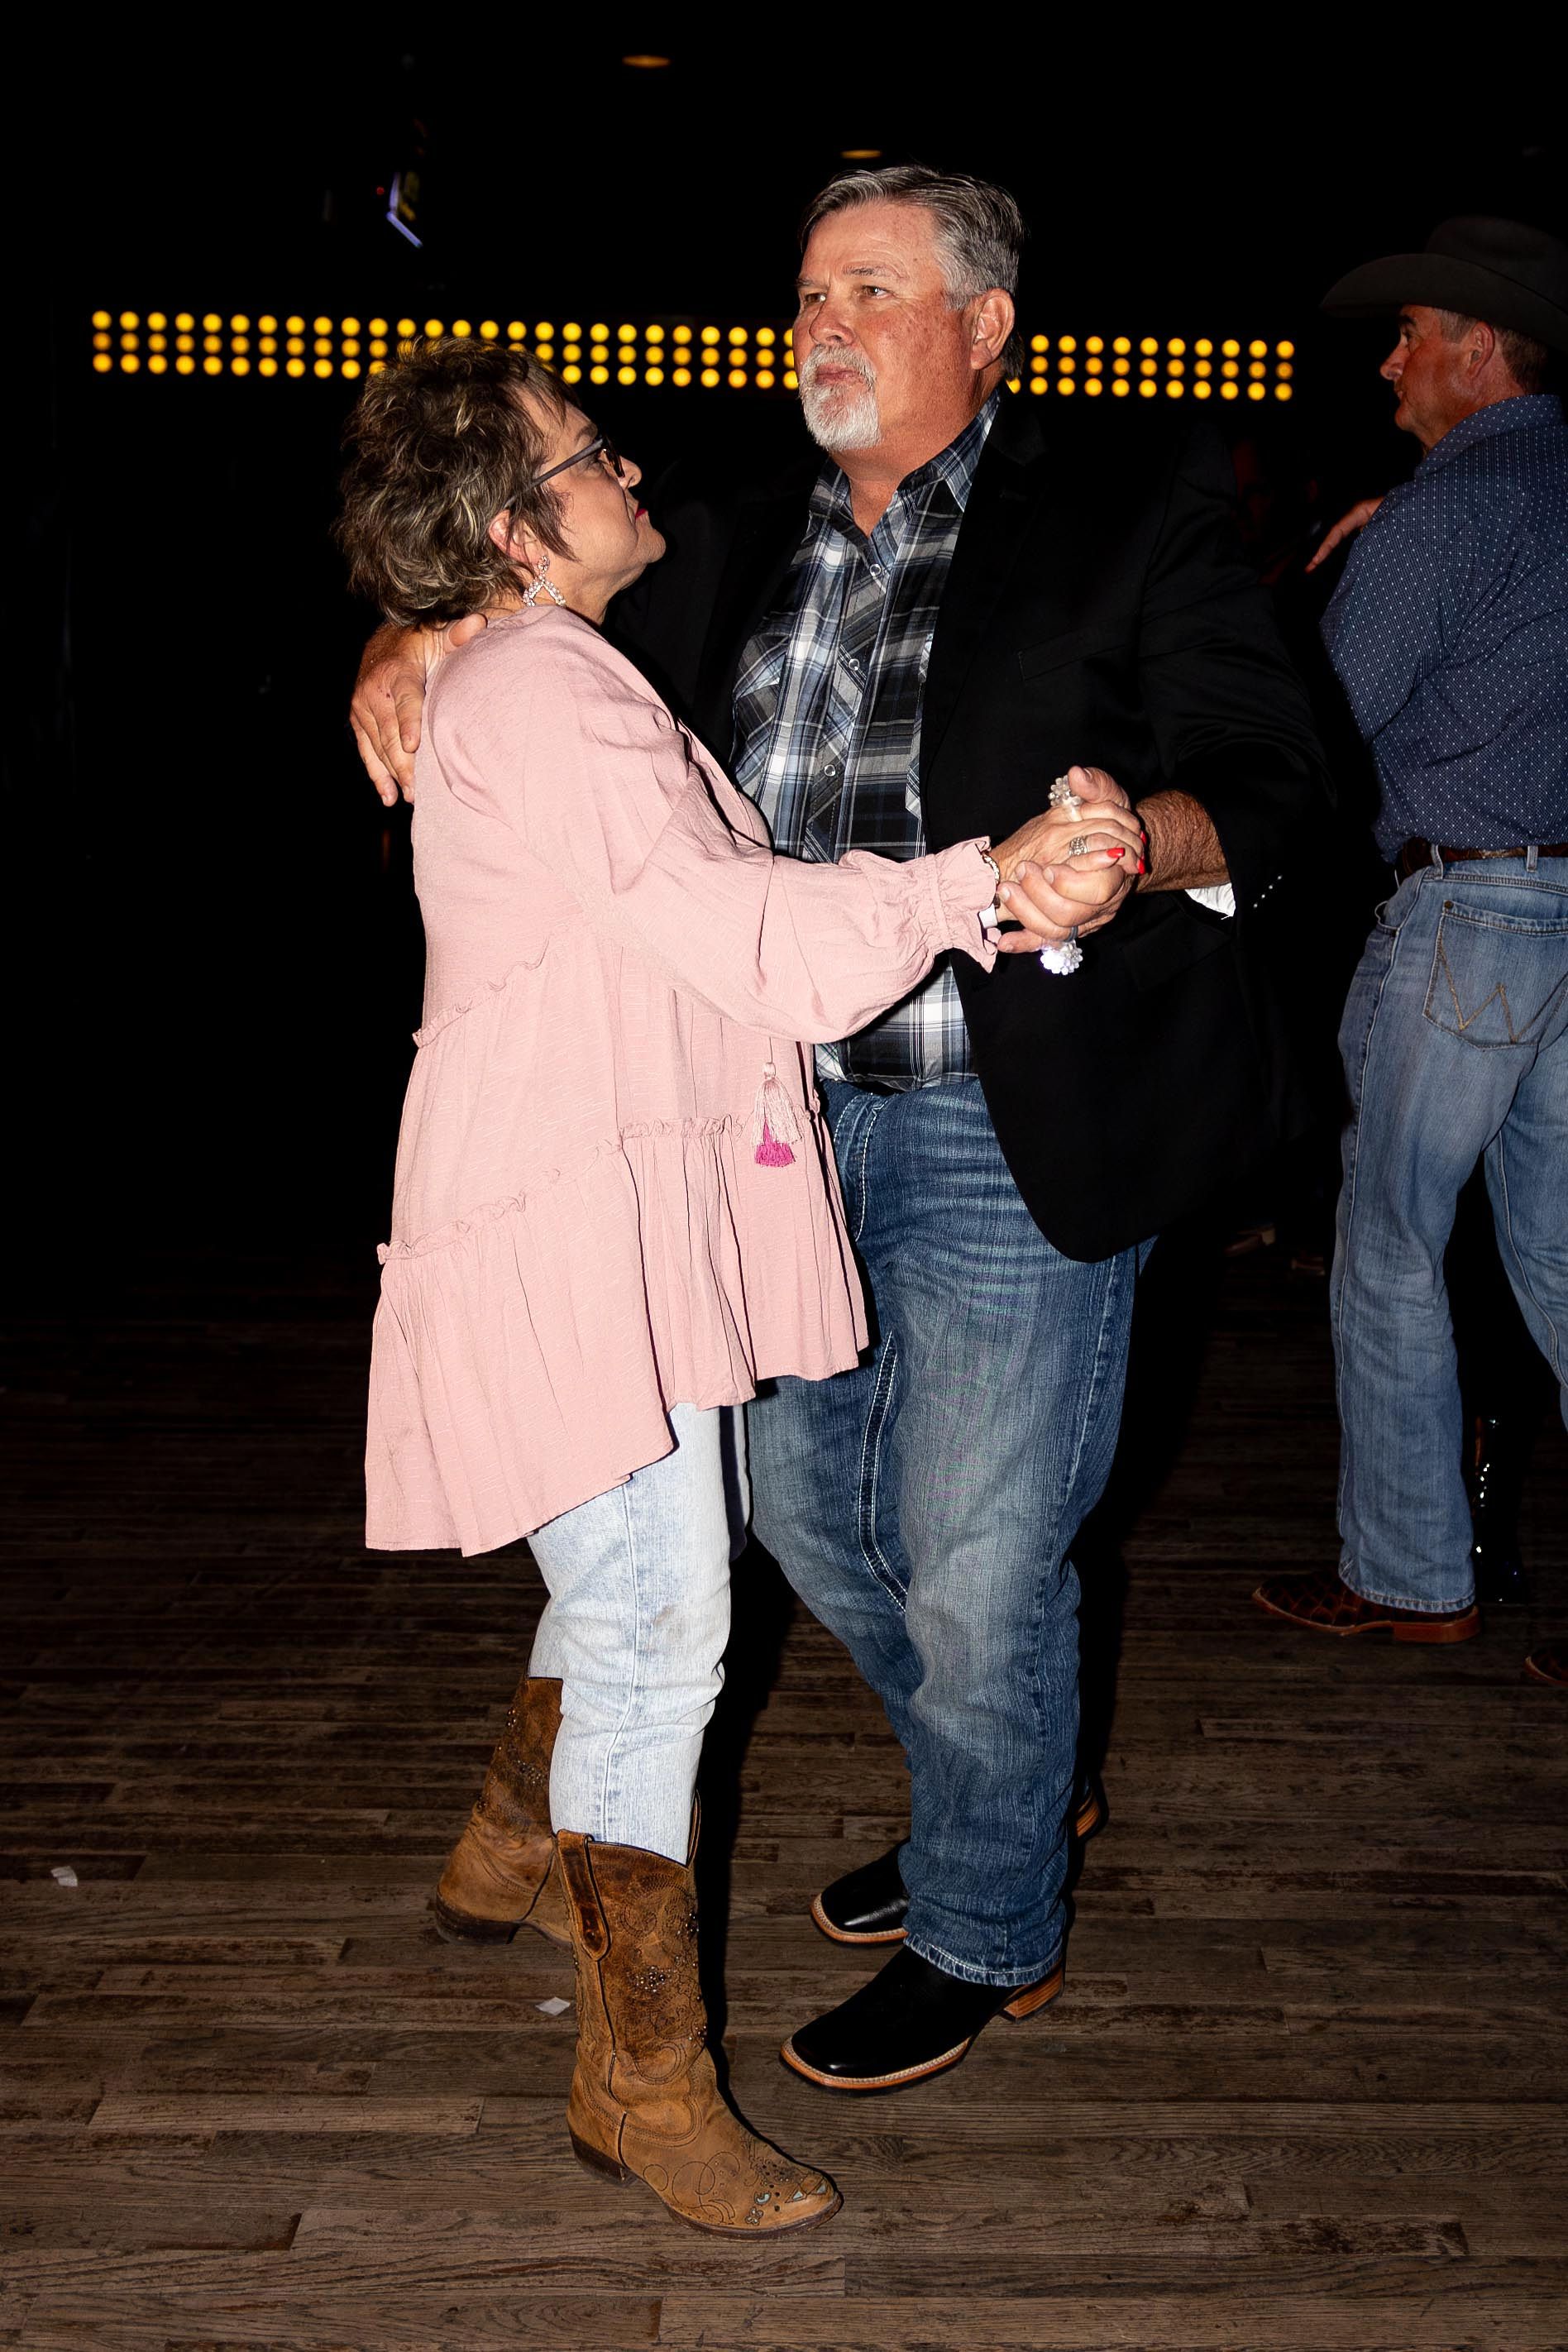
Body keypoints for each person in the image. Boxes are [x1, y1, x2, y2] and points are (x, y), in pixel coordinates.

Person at [353, 167, 1327, 2092]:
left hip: (1004, 1116)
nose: (821, 324)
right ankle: (1003, 1775)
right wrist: (401, 636)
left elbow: (1279, 784)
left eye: (870, 289)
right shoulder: (719, 527)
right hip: (773, 1128)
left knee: (978, 1557)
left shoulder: (1131, 516)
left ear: (985, 324)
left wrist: (1137, 842)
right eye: (807, 290)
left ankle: (986, 1915)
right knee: (803, 1515)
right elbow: (513, 602)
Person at [337, 337, 1120, 2230]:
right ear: (517, 529)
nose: (628, 471)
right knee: (658, 1619)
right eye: (588, 455)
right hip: (567, 1218)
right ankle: (641, 2082)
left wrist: (426, 627)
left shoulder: (538, 666)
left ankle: (513, 1838)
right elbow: (745, 934)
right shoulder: (546, 687)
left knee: (630, 1575)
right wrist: (978, 883)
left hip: (591, 1198)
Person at [1252, 217, 1568, 1656]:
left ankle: (1409, 1573)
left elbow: (1314, 739)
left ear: (1479, 349)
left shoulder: (1444, 517)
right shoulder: (1525, 494)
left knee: (1389, 1241)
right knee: (1557, 1256)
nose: (1390, 365)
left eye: (1411, 336)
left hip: (1466, 915)